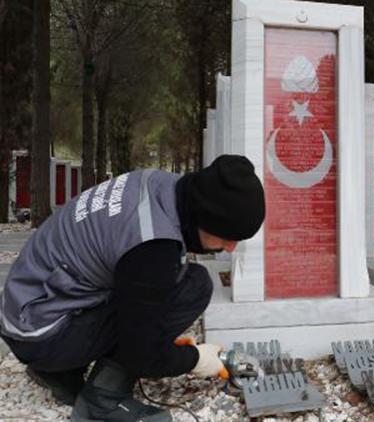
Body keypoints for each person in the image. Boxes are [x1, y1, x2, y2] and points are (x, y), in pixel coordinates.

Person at [0, 155, 265, 421]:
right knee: (192, 288)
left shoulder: (161, 185)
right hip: (41, 334)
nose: (231, 248)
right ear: (205, 218)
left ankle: (58, 371)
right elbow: (143, 354)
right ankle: (103, 400)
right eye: (229, 237)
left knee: (170, 290)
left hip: (30, 308)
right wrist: (195, 359)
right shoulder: (152, 247)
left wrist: (160, 333)